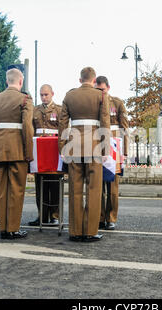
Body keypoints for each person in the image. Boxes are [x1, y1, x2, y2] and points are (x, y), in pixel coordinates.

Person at [58, 67, 110, 242]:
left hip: (74, 145)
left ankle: (75, 231)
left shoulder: (69, 96)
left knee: (75, 188)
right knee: (94, 189)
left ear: (80, 80)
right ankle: (90, 231)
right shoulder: (101, 95)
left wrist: (62, 148)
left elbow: (63, 124)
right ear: (94, 80)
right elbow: (105, 123)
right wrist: (105, 149)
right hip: (94, 145)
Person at [0, 68, 34, 240]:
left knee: (2, 190)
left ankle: (4, 228)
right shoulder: (25, 99)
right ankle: (13, 228)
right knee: (17, 190)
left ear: (7, 81)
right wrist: (29, 153)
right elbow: (27, 127)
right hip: (18, 150)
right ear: (21, 82)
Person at [95, 76, 129, 231]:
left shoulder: (117, 103)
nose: (100, 92)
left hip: (115, 149)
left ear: (108, 88)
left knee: (112, 187)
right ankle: (100, 217)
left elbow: (125, 129)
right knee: (98, 186)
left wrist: (125, 152)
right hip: (98, 146)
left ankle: (111, 218)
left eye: (102, 89)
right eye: (97, 90)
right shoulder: (93, 103)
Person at [29, 84, 62, 227]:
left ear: (52, 94)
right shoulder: (35, 110)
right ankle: (42, 215)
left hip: (54, 152)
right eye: (41, 95)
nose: (43, 97)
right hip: (39, 152)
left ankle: (55, 215)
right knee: (40, 185)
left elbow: (63, 130)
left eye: (46, 95)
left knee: (54, 184)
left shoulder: (59, 110)